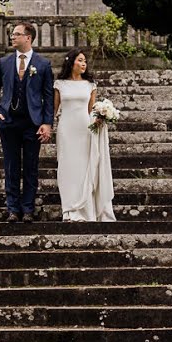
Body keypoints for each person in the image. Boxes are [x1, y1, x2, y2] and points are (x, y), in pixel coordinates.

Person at [0, 21, 54, 223]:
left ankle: (28, 210)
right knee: (11, 167)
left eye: (16, 34)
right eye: (12, 34)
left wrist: (47, 123)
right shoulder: (4, 63)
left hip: (33, 123)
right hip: (9, 122)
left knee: (31, 168)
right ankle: (13, 209)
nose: (12, 37)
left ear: (28, 37)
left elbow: (48, 96)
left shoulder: (43, 64)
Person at [53, 48, 115, 222]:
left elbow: (91, 110)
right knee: (67, 168)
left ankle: (86, 210)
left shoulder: (90, 85)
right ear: (71, 62)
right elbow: (54, 109)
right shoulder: (59, 84)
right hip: (66, 129)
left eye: (85, 61)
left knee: (84, 168)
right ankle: (70, 210)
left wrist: (100, 118)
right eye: (80, 60)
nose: (84, 64)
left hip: (85, 130)